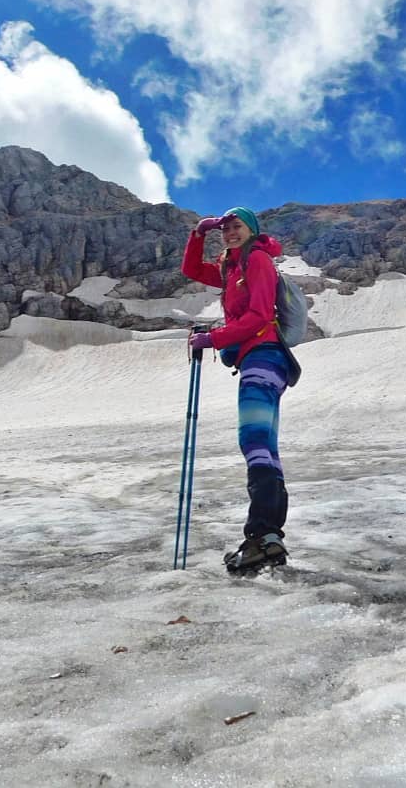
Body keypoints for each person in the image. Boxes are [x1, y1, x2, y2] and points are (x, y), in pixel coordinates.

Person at [181, 206, 292, 571]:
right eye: (226, 228)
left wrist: (212, 338)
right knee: (263, 444)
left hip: (264, 355)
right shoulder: (233, 269)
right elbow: (192, 270)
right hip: (259, 358)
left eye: (237, 227)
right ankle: (268, 537)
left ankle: (261, 535)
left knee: (254, 440)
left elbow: (259, 316)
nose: (230, 232)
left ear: (252, 230)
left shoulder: (257, 261)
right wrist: (199, 233)